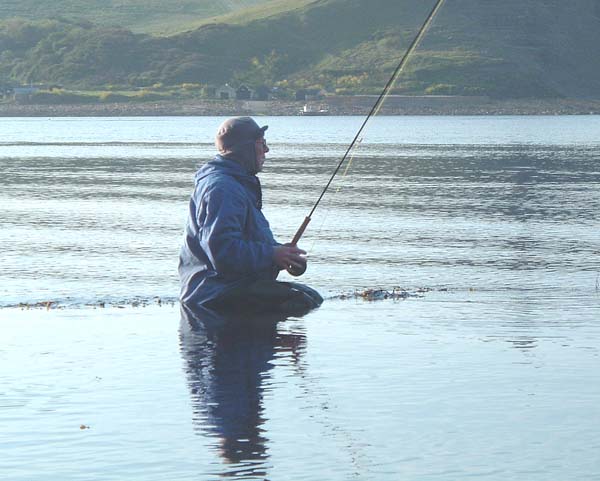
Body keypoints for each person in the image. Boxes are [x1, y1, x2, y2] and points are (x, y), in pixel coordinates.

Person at [178, 117, 322, 313]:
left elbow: (245, 240)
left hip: (229, 287)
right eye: (261, 144)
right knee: (301, 302)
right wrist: (272, 255)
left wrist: (282, 255)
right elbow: (222, 252)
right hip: (213, 293)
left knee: (311, 296)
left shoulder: (235, 183)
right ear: (245, 149)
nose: (266, 150)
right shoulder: (223, 189)